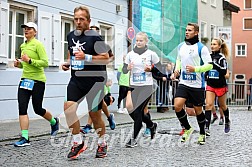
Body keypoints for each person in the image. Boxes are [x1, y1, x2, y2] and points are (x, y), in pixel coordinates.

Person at [61, 6, 110, 159]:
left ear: (88, 21)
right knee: (68, 109)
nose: (78, 22)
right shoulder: (70, 35)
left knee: (94, 116)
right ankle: (78, 142)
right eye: (76, 19)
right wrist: (68, 62)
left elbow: (106, 57)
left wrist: (87, 57)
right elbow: (71, 51)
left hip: (95, 82)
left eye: (82, 19)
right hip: (76, 80)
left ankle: (102, 142)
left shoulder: (95, 37)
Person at [13, 22, 59, 147]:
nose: (26, 30)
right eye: (25, 29)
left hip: (38, 81)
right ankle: (25, 137)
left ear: (35, 32)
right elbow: (25, 64)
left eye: (29, 29)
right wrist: (19, 64)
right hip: (25, 80)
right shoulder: (22, 45)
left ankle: (54, 122)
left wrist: (30, 60)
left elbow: (45, 62)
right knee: (22, 108)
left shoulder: (38, 45)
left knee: (37, 109)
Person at [171, 22, 213, 145]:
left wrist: (196, 69)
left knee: (198, 110)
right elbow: (179, 59)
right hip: (184, 82)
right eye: (186, 30)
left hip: (197, 85)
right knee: (177, 105)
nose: (187, 32)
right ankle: (188, 128)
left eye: (189, 30)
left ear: (196, 32)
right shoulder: (181, 46)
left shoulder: (202, 48)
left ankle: (202, 133)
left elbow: (209, 65)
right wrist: (176, 69)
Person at [122, 32, 159, 147]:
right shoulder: (130, 54)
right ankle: (151, 125)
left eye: (141, 41)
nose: (138, 43)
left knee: (138, 111)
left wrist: (151, 69)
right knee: (132, 111)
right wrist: (127, 68)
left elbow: (159, 69)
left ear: (146, 41)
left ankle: (133, 139)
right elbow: (124, 70)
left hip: (146, 86)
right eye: (137, 41)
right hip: (134, 86)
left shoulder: (151, 54)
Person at [204, 37, 231, 135]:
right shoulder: (208, 56)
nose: (212, 46)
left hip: (220, 85)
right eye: (211, 44)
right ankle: (206, 127)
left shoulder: (221, 58)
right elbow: (206, 67)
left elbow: (224, 71)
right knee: (208, 105)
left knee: (222, 105)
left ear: (219, 46)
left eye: (214, 44)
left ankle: (227, 120)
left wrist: (214, 65)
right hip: (211, 85)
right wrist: (205, 74)